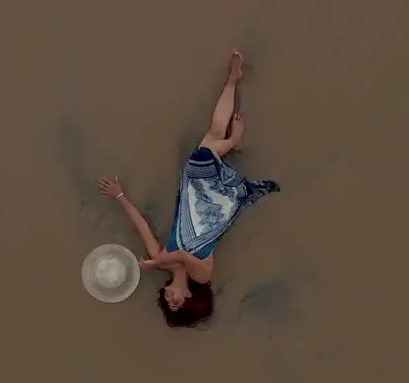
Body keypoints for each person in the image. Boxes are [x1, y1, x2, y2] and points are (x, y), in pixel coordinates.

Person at [97, 50, 280, 327]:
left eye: (168, 304)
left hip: (192, 195)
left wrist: (119, 196)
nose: (170, 300)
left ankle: (232, 88)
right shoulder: (201, 276)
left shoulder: (162, 258)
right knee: (208, 149)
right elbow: (183, 255)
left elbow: (142, 227)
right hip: (215, 208)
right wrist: (156, 265)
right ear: (190, 296)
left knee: (213, 134)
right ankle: (232, 139)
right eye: (177, 303)